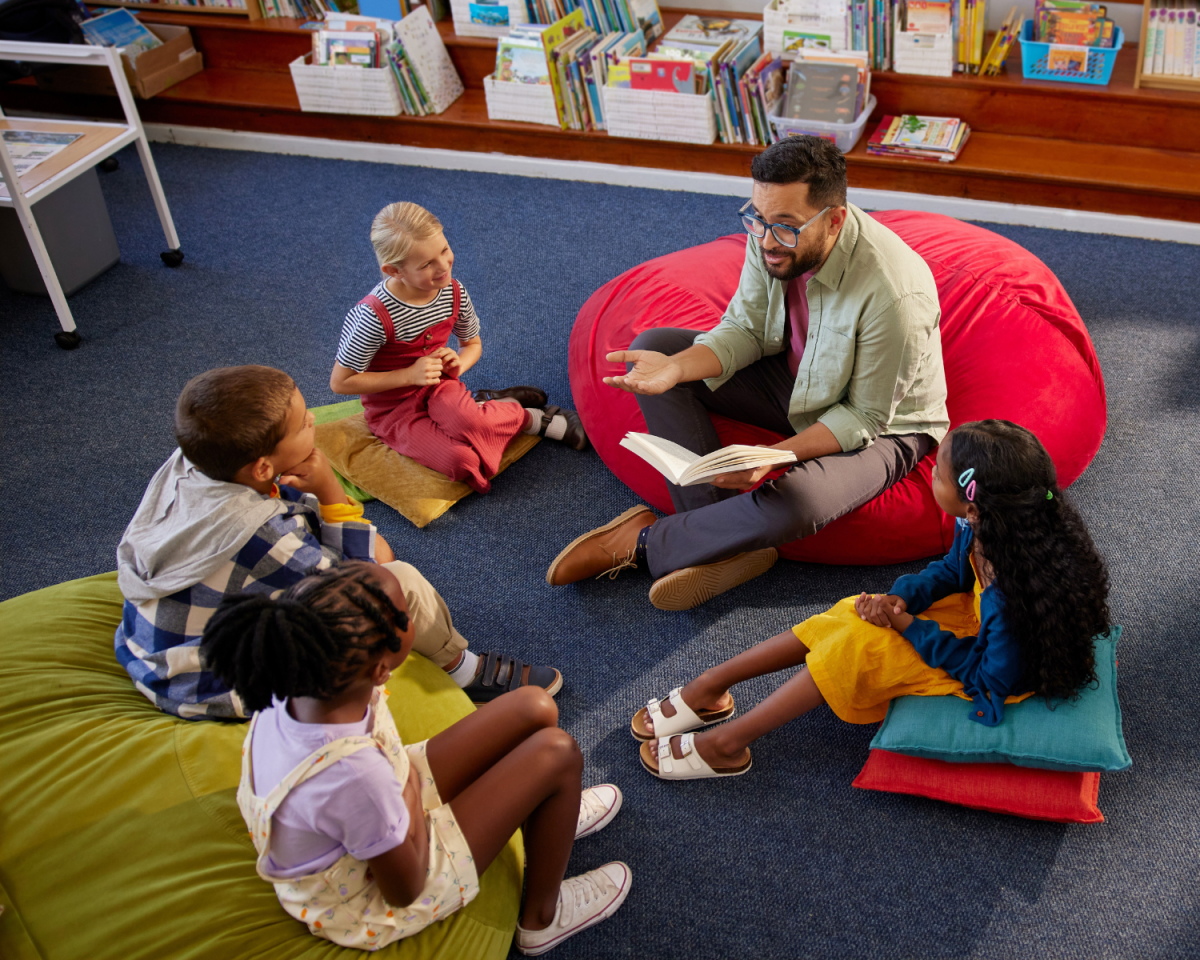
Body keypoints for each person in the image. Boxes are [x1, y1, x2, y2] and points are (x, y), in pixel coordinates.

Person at [546, 136, 950, 610]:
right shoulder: (770, 236)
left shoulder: (896, 293)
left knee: (802, 501)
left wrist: (775, 455)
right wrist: (677, 369)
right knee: (655, 348)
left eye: (784, 226)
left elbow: (864, 417)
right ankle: (719, 542)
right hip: (795, 378)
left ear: (834, 219)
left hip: (888, 428)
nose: (764, 239)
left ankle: (646, 541)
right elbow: (746, 330)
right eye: (757, 218)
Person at [626, 420, 1112, 780]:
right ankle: (713, 684)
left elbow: (984, 673)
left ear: (972, 504)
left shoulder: (1013, 597)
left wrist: (903, 627)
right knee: (851, 612)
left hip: (988, 668)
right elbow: (950, 572)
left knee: (857, 651)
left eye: (938, 476)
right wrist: (897, 600)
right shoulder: (986, 526)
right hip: (975, 620)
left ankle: (729, 743)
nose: (931, 476)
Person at [201, 561, 631, 955]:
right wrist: (406, 798)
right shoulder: (354, 777)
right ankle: (541, 920)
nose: (411, 608)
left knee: (535, 707)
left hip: (382, 801)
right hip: (378, 888)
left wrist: (401, 788)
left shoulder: (301, 681)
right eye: (406, 613)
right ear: (381, 670)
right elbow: (403, 890)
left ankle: (542, 817)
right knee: (558, 754)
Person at [115, 365, 560, 720]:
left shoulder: (188, 465)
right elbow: (372, 569)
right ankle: (464, 671)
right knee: (399, 581)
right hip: (216, 687)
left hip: (151, 651)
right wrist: (328, 488)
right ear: (263, 469)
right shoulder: (262, 535)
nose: (314, 420)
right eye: (304, 424)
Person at [329, 202, 588, 494]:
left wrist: (458, 365)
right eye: (426, 264)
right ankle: (493, 407)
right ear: (394, 270)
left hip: (440, 386)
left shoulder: (454, 291)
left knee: (471, 425)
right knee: (462, 461)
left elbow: (472, 344)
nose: (443, 267)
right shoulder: (372, 317)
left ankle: (532, 419)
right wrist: (409, 376)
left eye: (444, 250)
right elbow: (341, 382)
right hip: (392, 410)